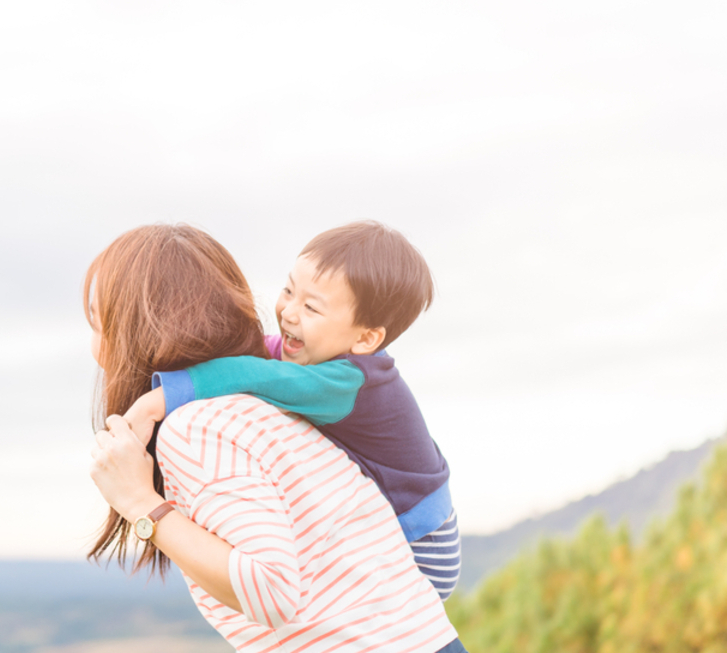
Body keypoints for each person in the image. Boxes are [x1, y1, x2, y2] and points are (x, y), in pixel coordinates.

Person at [86, 224, 465, 653]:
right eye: (288, 291)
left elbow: (270, 589)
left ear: (366, 338)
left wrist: (143, 489)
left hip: (424, 532)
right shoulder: (290, 376)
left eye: (312, 307)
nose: (288, 313)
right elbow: (254, 361)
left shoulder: (342, 381)